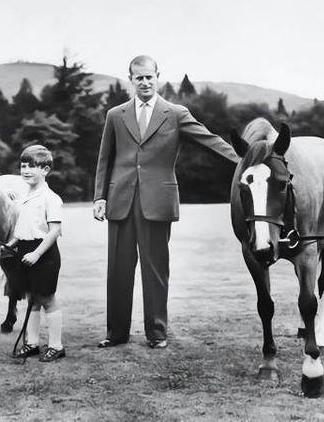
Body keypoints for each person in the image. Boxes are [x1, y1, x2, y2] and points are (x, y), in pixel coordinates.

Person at [93, 55, 241, 349]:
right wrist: (99, 197)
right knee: (118, 270)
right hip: (120, 200)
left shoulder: (175, 113)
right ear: (130, 80)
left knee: (155, 269)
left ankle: (157, 333)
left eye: (150, 77)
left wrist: (245, 161)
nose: (145, 82)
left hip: (157, 202)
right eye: (139, 78)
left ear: (157, 77)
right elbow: (104, 158)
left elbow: (210, 140)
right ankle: (117, 333)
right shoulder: (115, 115)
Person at [0, 145, 65, 362]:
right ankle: (32, 343)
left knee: (47, 299)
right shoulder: (25, 196)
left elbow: (54, 231)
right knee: (32, 299)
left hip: (44, 253)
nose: (25, 170)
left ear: (45, 170)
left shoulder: (51, 198)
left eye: (32, 166)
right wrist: (11, 244)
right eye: (23, 166)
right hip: (25, 250)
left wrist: (36, 253)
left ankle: (56, 346)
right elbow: (23, 227)